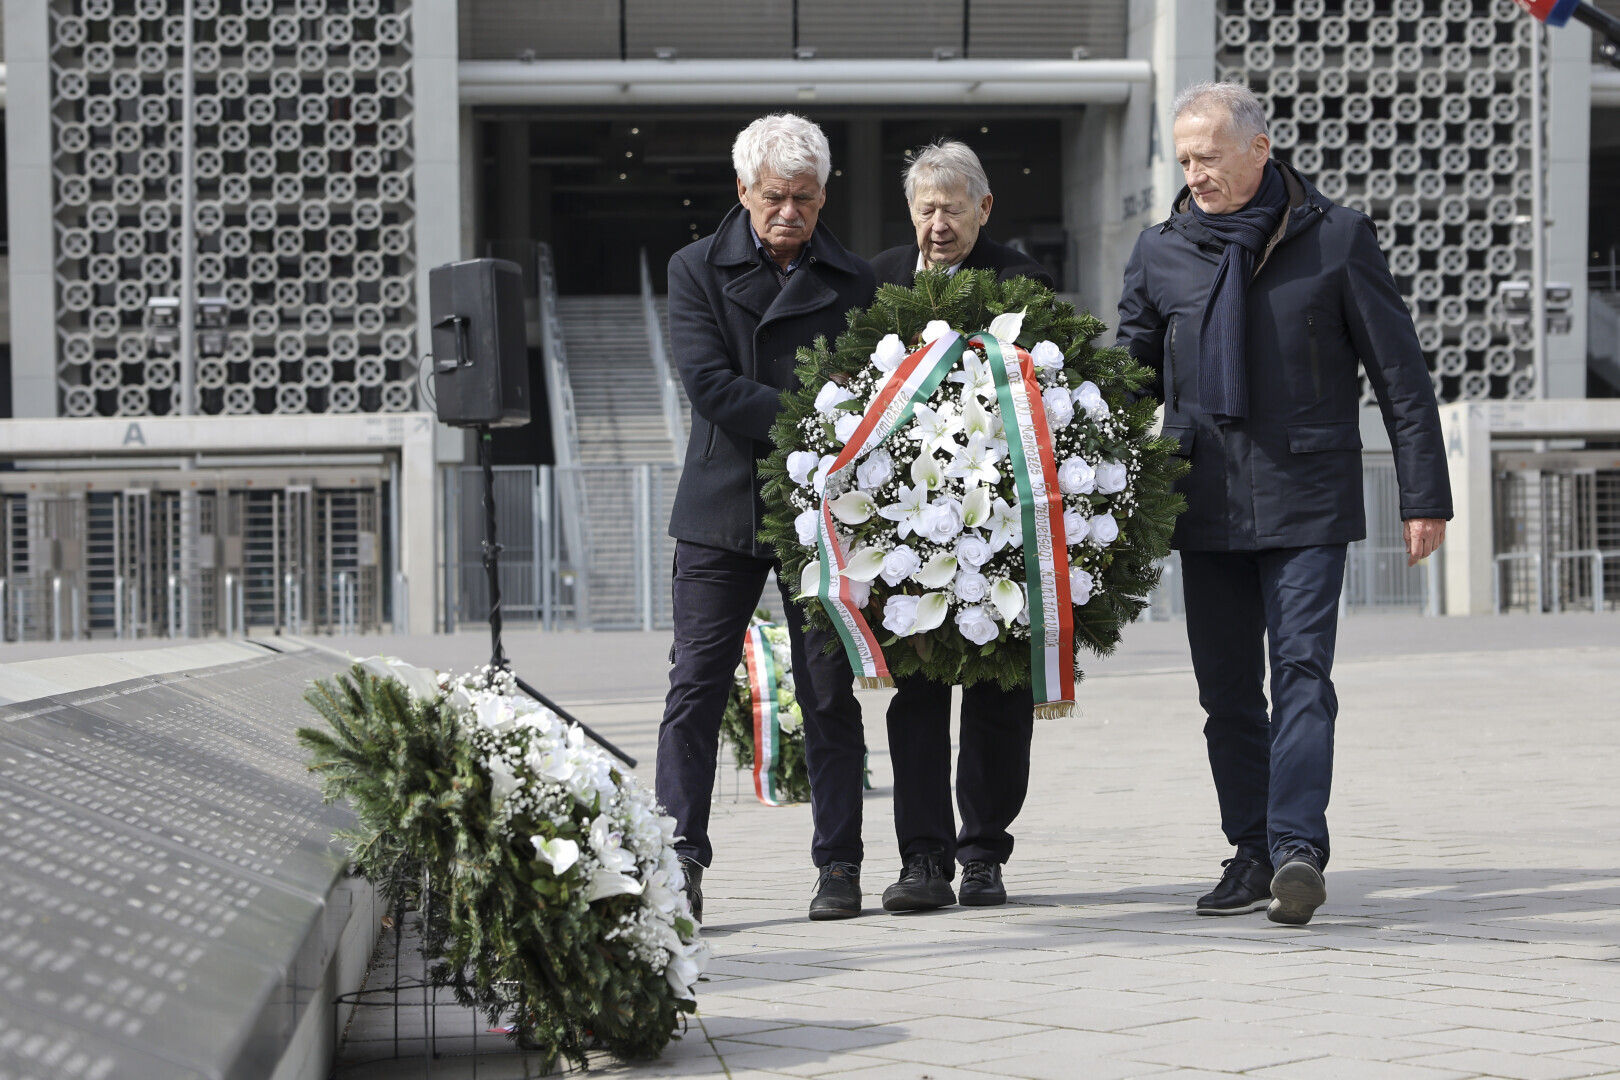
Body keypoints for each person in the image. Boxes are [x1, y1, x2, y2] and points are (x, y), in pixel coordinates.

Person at [1116, 83, 1451, 925]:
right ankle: (1252, 847)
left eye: (1209, 156)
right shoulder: (1160, 252)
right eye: (1185, 159)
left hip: (1308, 494)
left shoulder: (1336, 238)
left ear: (1259, 150)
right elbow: (1127, 384)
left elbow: (1399, 376)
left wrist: (1424, 496)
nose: (1195, 174)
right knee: (1226, 690)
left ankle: (1298, 845)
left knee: (1301, 673)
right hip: (1205, 499)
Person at [659, 114, 877, 923]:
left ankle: (840, 863)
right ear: (743, 190)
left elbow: (869, 390)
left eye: (807, 199)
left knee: (828, 690)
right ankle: (681, 855)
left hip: (818, 515)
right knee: (696, 686)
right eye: (776, 197)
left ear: (825, 196)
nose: (790, 213)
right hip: (720, 506)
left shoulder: (855, 283)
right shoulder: (694, 269)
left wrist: (839, 430)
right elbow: (710, 387)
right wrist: (817, 422)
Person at [868, 140, 1054, 913]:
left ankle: (983, 854)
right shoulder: (877, 279)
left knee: (997, 697)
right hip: (904, 525)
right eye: (924, 208)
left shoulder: (1022, 280)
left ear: (983, 208)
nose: (936, 223)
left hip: (998, 520)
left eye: (951, 208)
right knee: (915, 694)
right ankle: (922, 859)